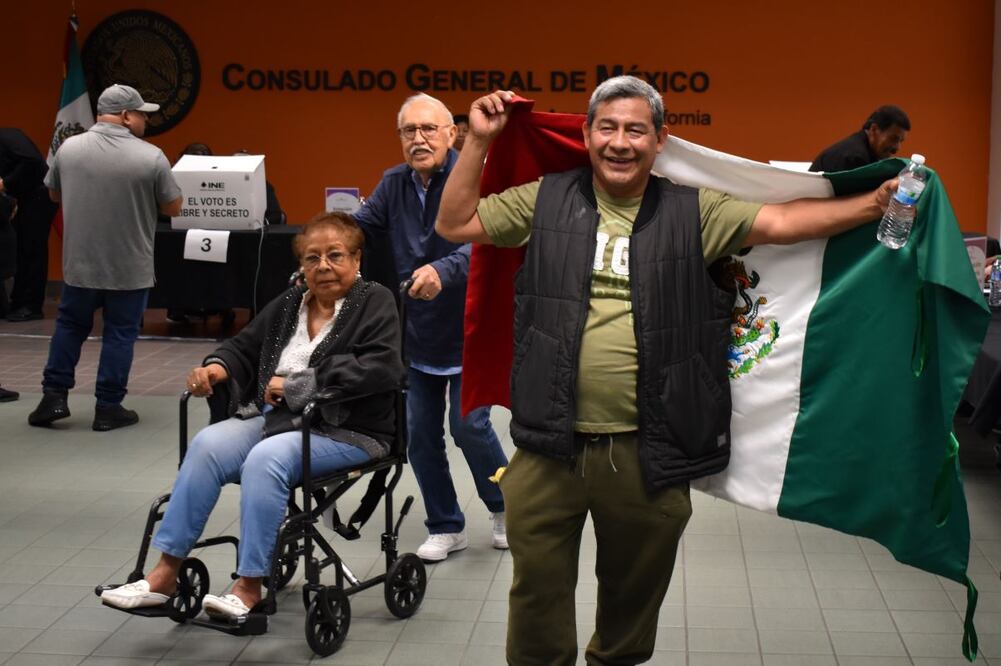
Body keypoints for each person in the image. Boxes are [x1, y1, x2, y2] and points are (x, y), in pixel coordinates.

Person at [436, 77, 897, 665]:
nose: (620, 142)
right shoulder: (545, 199)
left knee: (631, 606)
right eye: (607, 127)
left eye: (635, 130)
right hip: (547, 450)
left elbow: (783, 223)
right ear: (586, 134)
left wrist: (875, 204)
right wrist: (477, 142)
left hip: (646, 456)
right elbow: (456, 224)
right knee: (536, 602)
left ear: (660, 140)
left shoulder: (691, 211)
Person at [100, 213, 404, 619]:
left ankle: (250, 585)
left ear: (356, 259)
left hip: (347, 428)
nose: (323, 267)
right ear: (301, 265)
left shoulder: (375, 301)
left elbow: (382, 367)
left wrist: (298, 385)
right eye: (312, 258)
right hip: (279, 421)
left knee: (267, 459)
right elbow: (244, 346)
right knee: (208, 444)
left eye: (335, 255)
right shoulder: (292, 302)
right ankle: (165, 574)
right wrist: (216, 367)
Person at [353, 93, 508, 562]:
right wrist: (326, 245)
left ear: (451, 133)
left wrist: (444, 270)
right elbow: (360, 228)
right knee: (420, 433)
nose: (418, 139)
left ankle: (507, 507)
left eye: (428, 129)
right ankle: (445, 524)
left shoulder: (475, 176)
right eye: (408, 131)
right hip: (415, 332)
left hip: (470, 327)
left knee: (469, 428)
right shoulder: (393, 182)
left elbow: (486, 242)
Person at [28, 84, 183, 431]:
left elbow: (53, 193)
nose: (145, 119)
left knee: (69, 326)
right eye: (142, 113)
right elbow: (173, 206)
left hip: (80, 263)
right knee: (119, 334)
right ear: (127, 116)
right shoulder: (151, 156)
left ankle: (53, 397)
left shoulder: (68, 149)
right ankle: (108, 406)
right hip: (130, 266)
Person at [0, 127, 59, 321]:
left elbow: (32, 161)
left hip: (38, 196)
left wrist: (6, 183)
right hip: (24, 198)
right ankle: (19, 302)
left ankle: (31, 305)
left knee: (32, 251)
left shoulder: (8, 136)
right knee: (21, 252)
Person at [810, 105, 911, 172]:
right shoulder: (855, 158)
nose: (897, 148)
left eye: (900, 141)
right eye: (893, 138)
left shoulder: (861, 151)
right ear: (874, 129)